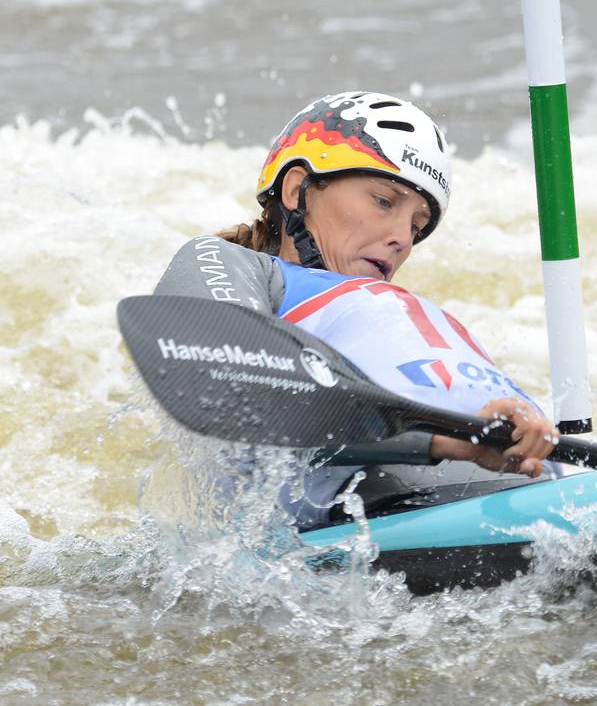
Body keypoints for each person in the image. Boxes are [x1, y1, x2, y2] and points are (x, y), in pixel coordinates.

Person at [154, 91, 558, 529]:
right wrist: (436, 441)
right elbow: (223, 383)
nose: (402, 237)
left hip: (529, 494)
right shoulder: (240, 267)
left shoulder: (421, 316)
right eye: (384, 202)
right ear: (296, 190)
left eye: (417, 225)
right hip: (368, 511)